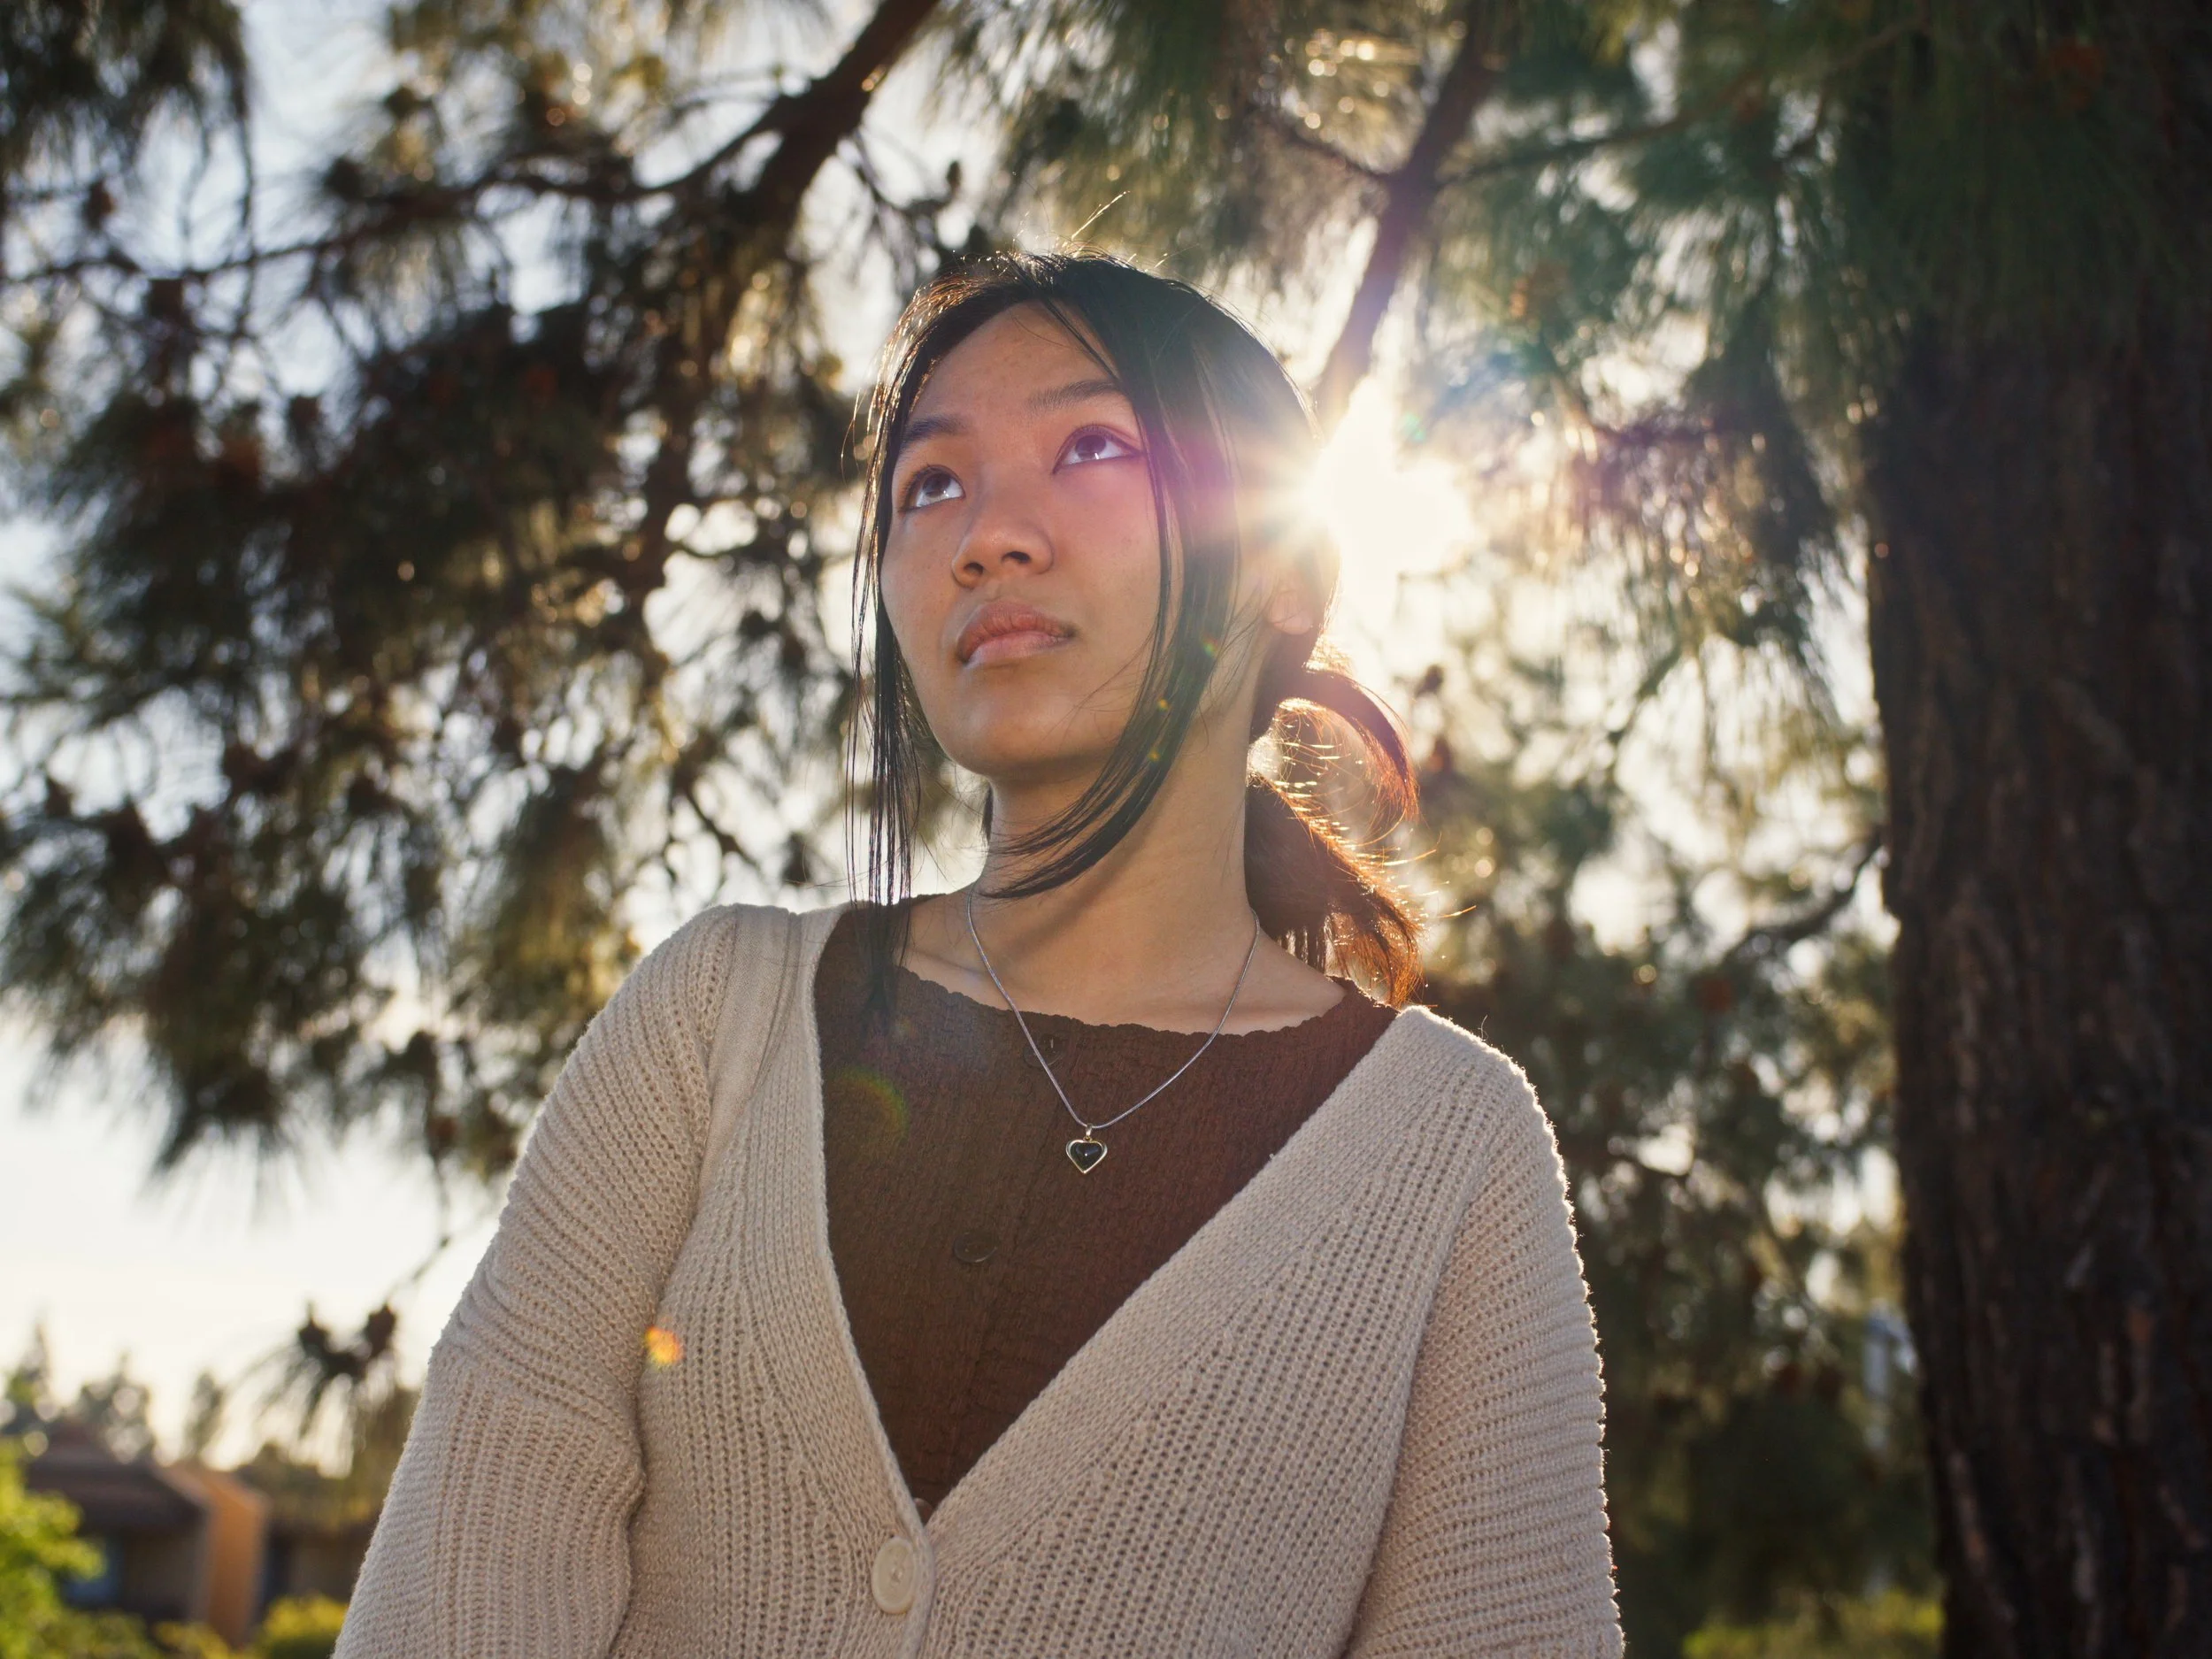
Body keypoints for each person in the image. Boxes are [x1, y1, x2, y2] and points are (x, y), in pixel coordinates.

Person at [337, 250, 1622, 1656]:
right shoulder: (718, 1019)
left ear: (1283, 567)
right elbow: (461, 1579)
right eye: (930, 484)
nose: (987, 536)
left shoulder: (1449, 1149)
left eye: (1091, 445)